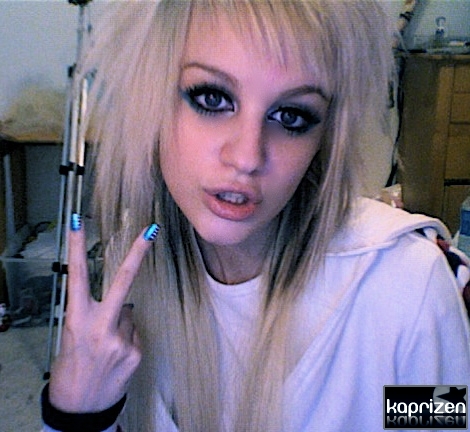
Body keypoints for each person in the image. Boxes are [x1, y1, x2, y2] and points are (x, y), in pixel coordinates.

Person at [42, 1, 470, 431]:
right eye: (212, 98)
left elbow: (438, 425)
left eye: (291, 116)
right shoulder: (136, 265)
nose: (247, 157)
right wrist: (76, 413)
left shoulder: (405, 287)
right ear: (151, 99)